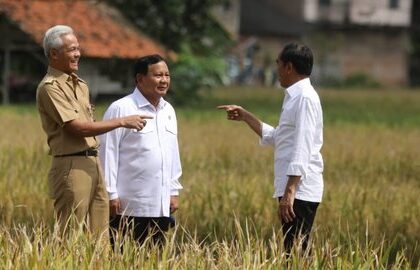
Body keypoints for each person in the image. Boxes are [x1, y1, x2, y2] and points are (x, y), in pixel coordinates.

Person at [36, 25, 150, 237]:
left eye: (78, 48)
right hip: (71, 165)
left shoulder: (81, 85)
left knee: (100, 234)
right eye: (71, 49)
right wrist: (122, 121)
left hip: (93, 162)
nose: (77, 54)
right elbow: (77, 128)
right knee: (71, 234)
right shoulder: (50, 87)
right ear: (53, 53)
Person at [218, 43, 324, 255]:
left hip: (299, 190)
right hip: (294, 188)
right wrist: (247, 116)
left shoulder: (304, 98)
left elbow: (302, 146)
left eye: (278, 64)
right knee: (293, 250)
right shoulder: (294, 97)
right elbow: (279, 138)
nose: (276, 70)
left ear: (289, 67)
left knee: (296, 253)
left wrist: (290, 191)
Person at [99, 54, 183, 248]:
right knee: (124, 257)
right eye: (157, 75)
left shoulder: (168, 110)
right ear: (140, 79)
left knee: (154, 258)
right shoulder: (121, 108)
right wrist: (110, 194)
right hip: (128, 205)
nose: (164, 80)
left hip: (160, 204)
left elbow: (172, 153)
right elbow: (107, 153)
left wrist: (173, 190)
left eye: (167, 75)